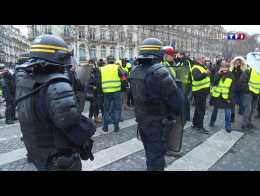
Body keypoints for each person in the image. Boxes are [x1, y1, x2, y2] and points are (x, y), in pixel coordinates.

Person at [15, 34, 95, 170]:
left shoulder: (25, 82)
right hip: (59, 157)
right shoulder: (56, 84)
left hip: (39, 152)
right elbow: (71, 124)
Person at [129, 38, 184, 171]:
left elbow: (133, 98)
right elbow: (178, 104)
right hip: (158, 124)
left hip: (142, 122)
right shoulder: (160, 72)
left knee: (150, 155)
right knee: (156, 161)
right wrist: (177, 87)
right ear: (159, 53)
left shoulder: (135, 71)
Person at [99, 56, 127, 132]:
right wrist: (122, 88)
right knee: (117, 109)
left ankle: (105, 127)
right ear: (114, 61)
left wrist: (100, 92)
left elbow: (99, 81)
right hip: (117, 91)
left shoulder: (102, 68)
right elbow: (124, 79)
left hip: (106, 92)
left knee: (106, 110)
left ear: (107, 61)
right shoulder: (117, 67)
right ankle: (116, 127)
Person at [209, 61, 234, 132]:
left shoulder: (231, 75)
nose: (224, 69)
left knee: (228, 111)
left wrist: (229, 97)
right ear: (221, 67)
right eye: (223, 67)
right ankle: (212, 122)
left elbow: (232, 88)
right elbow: (214, 83)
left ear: (228, 68)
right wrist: (218, 74)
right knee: (215, 110)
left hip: (226, 96)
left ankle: (228, 126)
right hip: (217, 95)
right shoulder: (218, 74)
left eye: (226, 67)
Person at [191, 56, 211, 134]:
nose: (204, 60)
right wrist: (205, 73)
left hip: (202, 91)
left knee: (198, 109)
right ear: (198, 60)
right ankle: (200, 126)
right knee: (201, 110)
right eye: (202, 58)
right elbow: (197, 77)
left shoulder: (202, 67)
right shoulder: (196, 68)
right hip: (199, 91)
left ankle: (195, 123)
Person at [240, 61, 260, 130]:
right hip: (249, 92)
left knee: (253, 109)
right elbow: (242, 80)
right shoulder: (249, 69)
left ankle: (249, 123)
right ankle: (244, 124)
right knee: (248, 109)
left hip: (256, 93)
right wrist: (247, 89)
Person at [229, 56, 247, 122]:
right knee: (232, 104)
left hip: (241, 89)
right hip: (233, 89)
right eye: (236, 62)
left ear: (240, 63)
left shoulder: (243, 70)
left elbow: (245, 78)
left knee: (242, 103)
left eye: (238, 62)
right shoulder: (231, 69)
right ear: (234, 63)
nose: (237, 63)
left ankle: (241, 111)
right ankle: (232, 117)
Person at [85, 59, 102, 123]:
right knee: (93, 104)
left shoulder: (97, 71)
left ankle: (94, 117)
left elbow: (99, 79)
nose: (92, 65)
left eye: (92, 64)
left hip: (97, 90)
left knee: (96, 105)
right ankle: (92, 117)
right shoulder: (87, 71)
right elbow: (86, 83)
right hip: (91, 91)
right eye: (90, 64)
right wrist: (92, 86)